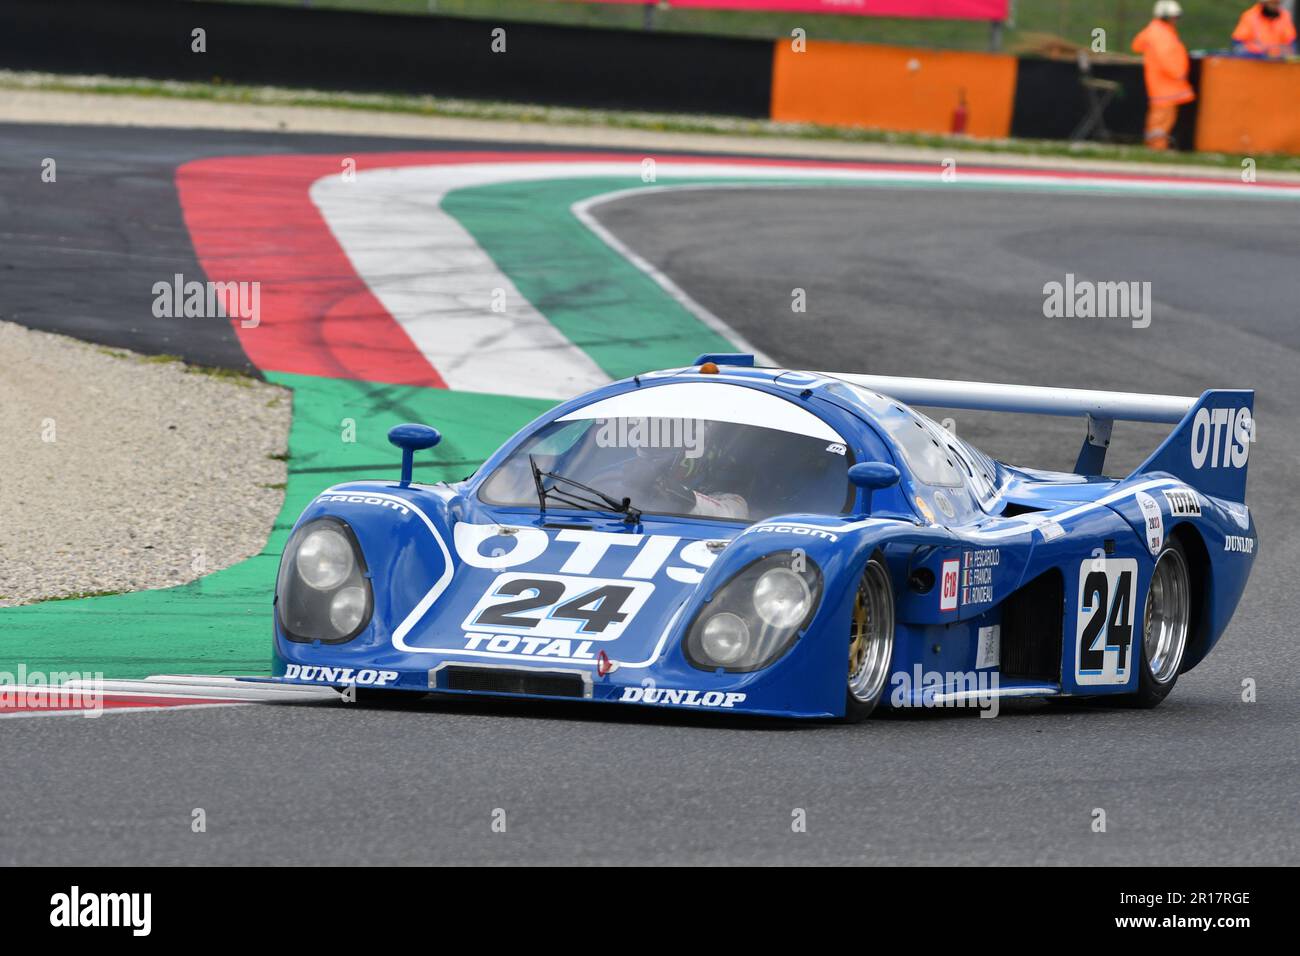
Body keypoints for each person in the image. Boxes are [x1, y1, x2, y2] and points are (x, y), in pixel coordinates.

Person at [1132, 1, 1195, 150]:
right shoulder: (1160, 34)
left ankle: (1157, 145)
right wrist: (1178, 73)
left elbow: (1137, 45)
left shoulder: (1159, 31)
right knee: (1161, 118)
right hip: (1165, 83)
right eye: (1173, 17)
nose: (1175, 20)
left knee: (1163, 116)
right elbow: (1165, 57)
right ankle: (1157, 147)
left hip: (1164, 83)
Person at [1232, 1, 1297, 58]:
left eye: (1276, 3)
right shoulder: (1250, 16)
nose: (1274, 6)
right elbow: (1238, 44)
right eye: (1271, 3)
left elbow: (1291, 43)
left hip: (1278, 64)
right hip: (1254, 62)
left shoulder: (1284, 16)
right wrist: (1257, 52)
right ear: (1264, 3)